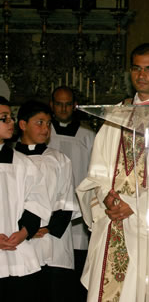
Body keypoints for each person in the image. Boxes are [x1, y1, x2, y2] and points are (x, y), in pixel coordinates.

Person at [76, 43, 149, 302]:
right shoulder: (118, 111)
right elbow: (98, 165)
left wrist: (134, 204)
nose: (141, 75)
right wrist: (106, 197)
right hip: (113, 217)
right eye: (136, 68)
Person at [15, 100, 78, 302]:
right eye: (39, 122)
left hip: (53, 242)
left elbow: (67, 198)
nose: (46, 129)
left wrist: (49, 227)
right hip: (20, 240)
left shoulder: (59, 159)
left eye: (48, 124)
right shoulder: (9, 159)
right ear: (23, 124)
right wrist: (25, 229)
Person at [0, 96, 51, 302]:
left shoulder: (23, 164)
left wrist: (23, 232)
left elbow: (38, 202)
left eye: (11, 117)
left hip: (16, 250)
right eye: (4, 118)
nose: (12, 122)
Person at [48, 86, 95, 302]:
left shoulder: (88, 136)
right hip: (49, 213)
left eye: (68, 104)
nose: (63, 108)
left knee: (79, 271)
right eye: (59, 103)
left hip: (79, 214)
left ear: (74, 106)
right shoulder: (44, 133)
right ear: (52, 105)